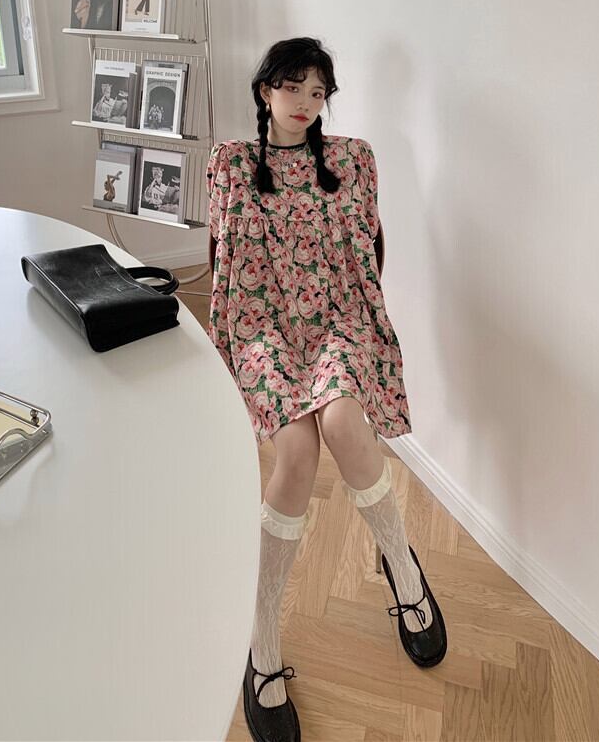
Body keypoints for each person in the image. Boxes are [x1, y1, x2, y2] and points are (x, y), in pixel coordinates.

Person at [205, 38, 447, 741]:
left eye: (319, 92)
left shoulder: (353, 159)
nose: (307, 103)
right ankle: (262, 638)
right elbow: (225, 268)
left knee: (342, 423)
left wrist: (360, 327)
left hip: (335, 321)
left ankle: (402, 568)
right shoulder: (230, 163)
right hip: (263, 327)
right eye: (294, 87)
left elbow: (368, 255)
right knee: (297, 454)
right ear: (265, 90)